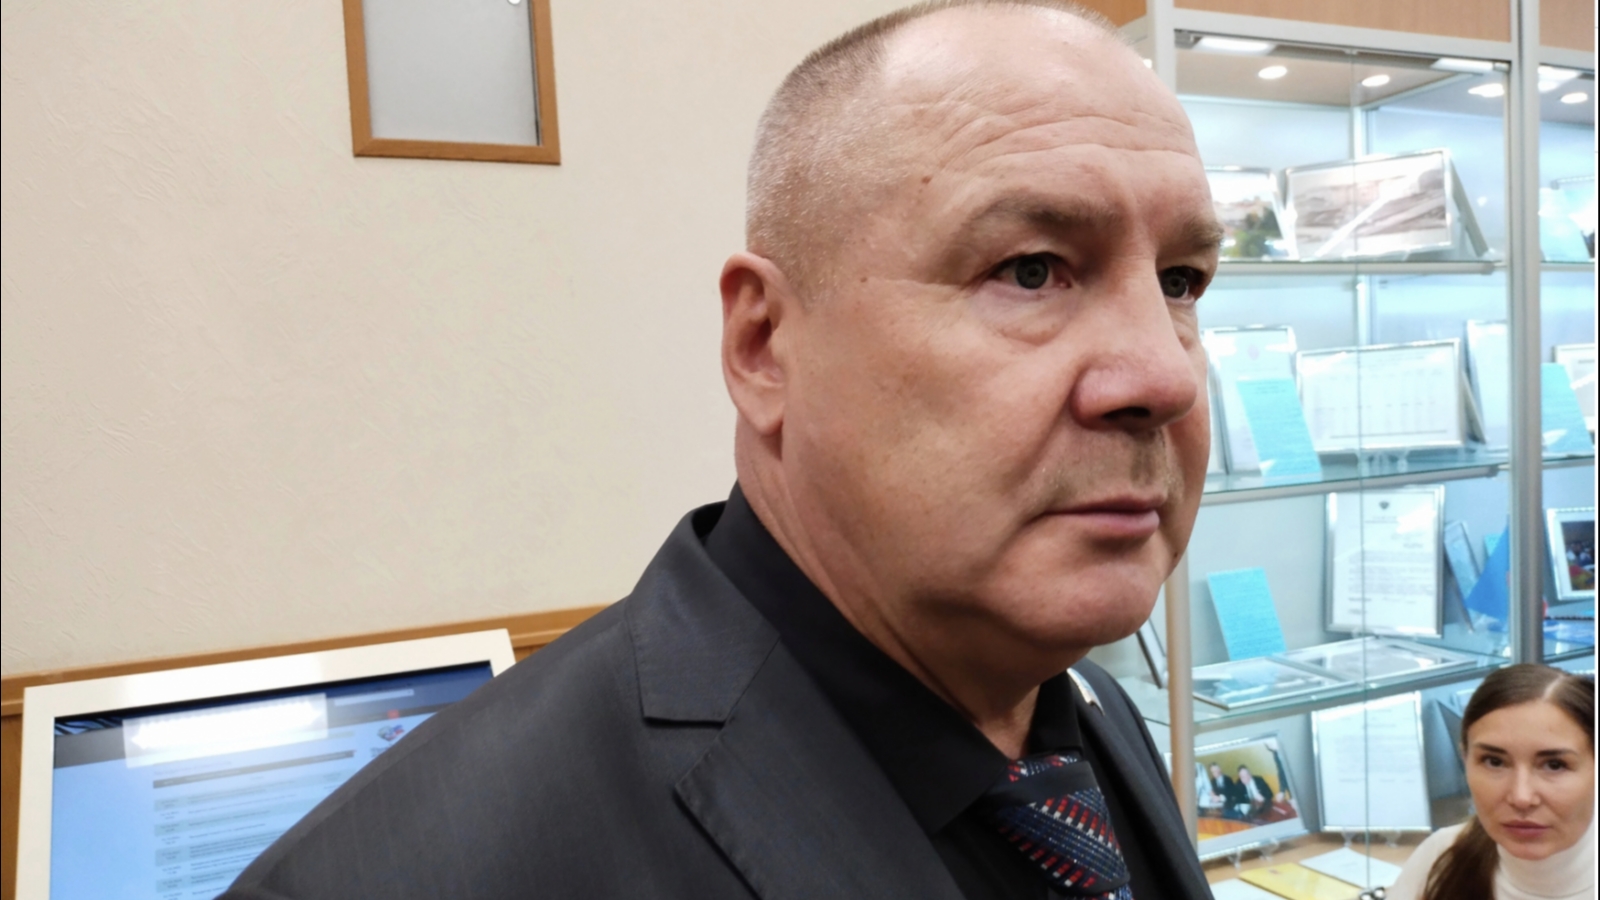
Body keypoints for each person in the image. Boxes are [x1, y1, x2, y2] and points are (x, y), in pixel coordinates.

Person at [222, 1, 1223, 897]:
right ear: (764, 346)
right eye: (1032, 270)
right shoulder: (415, 872)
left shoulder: (1084, 716)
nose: (1164, 376)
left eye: (1180, 281)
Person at [1387, 665, 1595, 900]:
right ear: (1465, 760)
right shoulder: (1442, 857)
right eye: (1494, 762)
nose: (1521, 797)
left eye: (1554, 765)